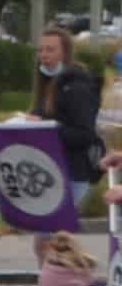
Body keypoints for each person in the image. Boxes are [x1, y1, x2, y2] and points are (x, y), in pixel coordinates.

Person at [30, 27, 102, 186]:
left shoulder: (78, 88)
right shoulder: (48, 85)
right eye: (40, 50)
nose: (43, 55)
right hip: (50, 172)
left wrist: (45, 127)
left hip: (72, 175)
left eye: (50, 50)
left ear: (65, 54)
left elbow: (85, 135)